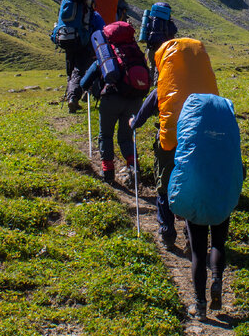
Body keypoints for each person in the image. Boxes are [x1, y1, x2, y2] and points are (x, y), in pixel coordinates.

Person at [129, 37, 216, 248]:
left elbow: (141, 116)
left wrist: (134, 122)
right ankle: (191, 234)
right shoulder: (205, 86)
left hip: (170, 142)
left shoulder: (164, 87)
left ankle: (167, 232)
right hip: (199, 143)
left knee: (165, 186)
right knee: (192, 185)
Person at [78, 20, 151, 187]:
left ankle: (108, 171)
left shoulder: (107, 54)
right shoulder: (136, 53)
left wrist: (86, 87)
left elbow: (84, 83)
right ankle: (134, 166)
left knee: (106, 135)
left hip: (111, 100)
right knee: (125, 138)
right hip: (135, 100)